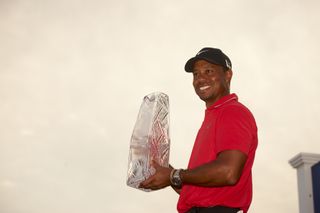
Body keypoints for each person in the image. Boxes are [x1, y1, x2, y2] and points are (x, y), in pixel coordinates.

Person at [140, 47, 258, 213]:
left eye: (208, 71)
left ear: (228, 74)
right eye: (196, 74)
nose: (200, 79)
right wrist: (163, 169)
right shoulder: (212, 118)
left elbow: (228, 172)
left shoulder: (232, 112)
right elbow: (198, 189)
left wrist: (173, 175)